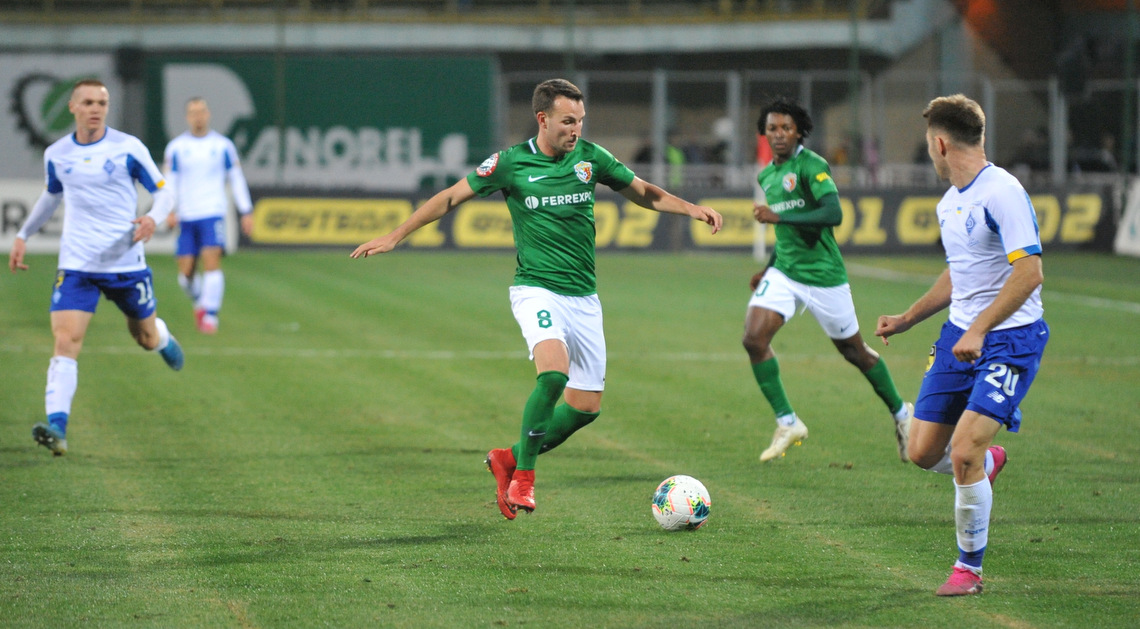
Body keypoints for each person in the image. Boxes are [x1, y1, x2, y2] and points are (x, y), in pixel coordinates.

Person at [351, 78, 723, 519]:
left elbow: (642, 191)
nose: (576, 129)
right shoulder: (511, 163)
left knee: (585, 409)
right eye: (567, 121)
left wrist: (691, 208)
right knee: (553, 375)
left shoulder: (591, 158)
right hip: (536, 290)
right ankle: (524, 478)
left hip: (584, 298)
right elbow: (450, 197)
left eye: (580, 121)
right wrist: (395, 236)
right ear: (542, 119)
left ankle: (506, 458)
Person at [875, 94, 1048, 596]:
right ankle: (987, 465)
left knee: (965, 451)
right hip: (957, 337)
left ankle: (967, 569)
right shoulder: (949, 202)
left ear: (940, 144)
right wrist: (909, 318)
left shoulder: (1003, 192)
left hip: (1010, 340)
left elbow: (1029, 272)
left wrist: (980, 329)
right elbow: (960, 274)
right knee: (921, 451)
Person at [7, 79, 185, 457]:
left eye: (101, 103)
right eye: (87, 102)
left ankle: (162, 338)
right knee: (66, 341)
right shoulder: (57, 154)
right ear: (72, 107)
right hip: (77, 266)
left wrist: (152, 218)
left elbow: (164, 191)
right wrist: (23, 234)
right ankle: (58, 428)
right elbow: (51, 196)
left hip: (125, 263)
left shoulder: (128, 148)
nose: (95, 109)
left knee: (144, 338)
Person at [744, 96, 912, 463]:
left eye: (786, 127)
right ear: (764, 133)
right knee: (754, 339)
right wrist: (768, 268)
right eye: (772, 128)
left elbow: (833, 213)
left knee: (854, 352)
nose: (779, 134)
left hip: (824, 276)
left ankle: (902, 414)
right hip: (786, 273)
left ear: (799, 131)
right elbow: (785, 232)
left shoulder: (812, 165)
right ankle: (788, 422)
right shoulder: (767, 175)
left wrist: (779, 218)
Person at [163, 97, 254, 334]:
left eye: (202, 111)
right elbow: (170, 181)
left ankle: (210, 315)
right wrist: (169, 209)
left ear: (208, 114)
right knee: (185, 275)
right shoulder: (176, 148)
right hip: (186, 215)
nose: (198, 116)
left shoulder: (223, 146)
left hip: (213, 212)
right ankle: (200, 303)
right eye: (193, 112)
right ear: (187, 117)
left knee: (212, 261)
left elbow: (236, 178)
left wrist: (246, 210)